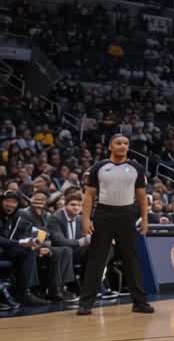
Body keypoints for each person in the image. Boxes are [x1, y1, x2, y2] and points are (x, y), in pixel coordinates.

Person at [78, 134, 153, 315]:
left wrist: (145, 218)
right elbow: (89, 196)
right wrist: (86, 219)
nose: (123, 146)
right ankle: (86, 303)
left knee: (131, 259)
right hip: (103, 214)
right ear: (110, 146)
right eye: (118, 143)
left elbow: (142, 197)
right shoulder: (99, 167)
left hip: (127, 214)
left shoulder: (137, 168)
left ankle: (139, 302)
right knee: (97, 258)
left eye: (126, 143)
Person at [18, 191, 77, 301]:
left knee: (67, 250)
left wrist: (47, 243)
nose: (39, 202)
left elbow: (50, 234)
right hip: (29, 245)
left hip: (45, 244)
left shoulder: (48, 215)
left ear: (46, 202)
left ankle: (61, 286)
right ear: (31, 199)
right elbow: (24, 234)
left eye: (42, 200)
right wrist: (42, 244)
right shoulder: (23, 213)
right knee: (58, 251)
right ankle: (53, 289)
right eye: (36, 199)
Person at [0, 191, 47, 306]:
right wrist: (20, 242)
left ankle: (31, 291)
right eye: (7, 201)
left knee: (33, 249)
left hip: (6, 249)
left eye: (14, 202)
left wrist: (33, 242)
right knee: (29, 251)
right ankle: (25, 292)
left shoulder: (13, 217)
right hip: (3, 250)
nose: (10, 204)